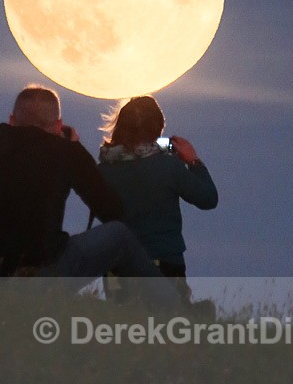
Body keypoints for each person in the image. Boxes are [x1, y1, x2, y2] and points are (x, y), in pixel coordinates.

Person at [0, 84, 179, 306]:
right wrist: (75, 149)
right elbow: (112, 210)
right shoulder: (64, 153)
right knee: (119, 235)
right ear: (58, 125)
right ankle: (174, 309)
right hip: (37, 279)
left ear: (11, 120)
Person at [92, 96, 218, 299]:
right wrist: (193, 162)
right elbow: (208, 199)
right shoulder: (168, 166)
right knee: (166, 326)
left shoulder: (102, 171)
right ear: (158, 129)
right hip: (164, 264)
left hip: (117, 267)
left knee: (121, 325)